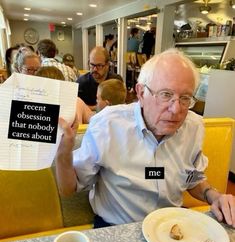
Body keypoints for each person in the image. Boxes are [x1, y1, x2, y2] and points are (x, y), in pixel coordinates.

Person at [56, 48, 235, 228]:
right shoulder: (108, 125)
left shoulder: (194, 126)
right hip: (119, 228)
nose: (176, 110)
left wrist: (215, 196)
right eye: (166, 95)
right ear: (141, 93)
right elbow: (68, 188)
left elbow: (192, 179)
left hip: (171, 225)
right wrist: (64, 153)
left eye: (185, 98)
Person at [77, 46, 123, 111]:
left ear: (107, 65)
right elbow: (76, 107)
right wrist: (98, 107)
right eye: (92, 65)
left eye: (99, 66)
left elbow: (121, 105)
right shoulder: (81, 83)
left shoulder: (115, 81)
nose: (95, 69)